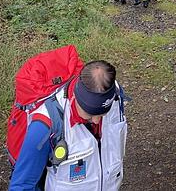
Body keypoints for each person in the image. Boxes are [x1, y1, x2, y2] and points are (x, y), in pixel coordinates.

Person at [9, 60, 128, 191]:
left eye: (103, 113)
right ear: (75, 96)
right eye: (89, 114)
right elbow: (22, 185)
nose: (96, 121)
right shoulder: (44, 127)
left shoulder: (115, 96)